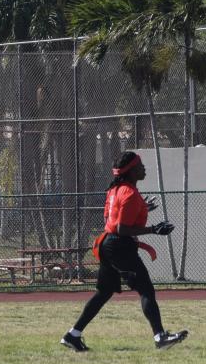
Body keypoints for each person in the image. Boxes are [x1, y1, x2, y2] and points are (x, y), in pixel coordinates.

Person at [62, 151, 187, 352]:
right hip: (120, 246)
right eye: (139, 165)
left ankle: (73, 335)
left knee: (104, 292)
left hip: (108, 244)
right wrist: (153, 229)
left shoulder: (116, 190)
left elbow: (110, 220)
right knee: (146, 289)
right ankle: (160, 337)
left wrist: (142, 208)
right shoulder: (129, 193)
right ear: (130, 171)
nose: (143, 168)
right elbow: (122, 229)